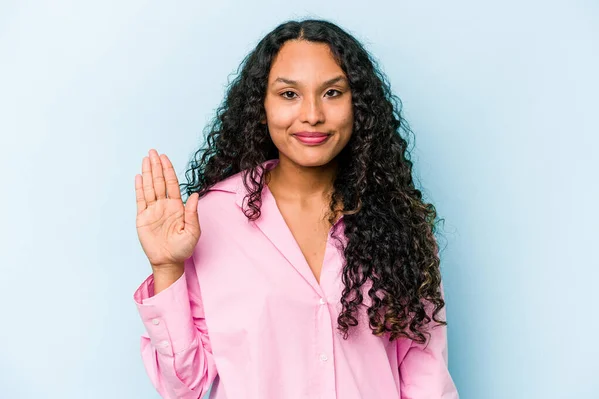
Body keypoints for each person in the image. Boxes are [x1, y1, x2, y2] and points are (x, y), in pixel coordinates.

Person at [133, 18, 459, 399]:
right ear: (261, 106)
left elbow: (427, 380)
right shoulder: (209, 219)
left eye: (333, 93)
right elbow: (184, 385)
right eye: (289, 94)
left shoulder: (400, 224)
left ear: (360, 106)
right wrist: (166, 268)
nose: (312, 115)